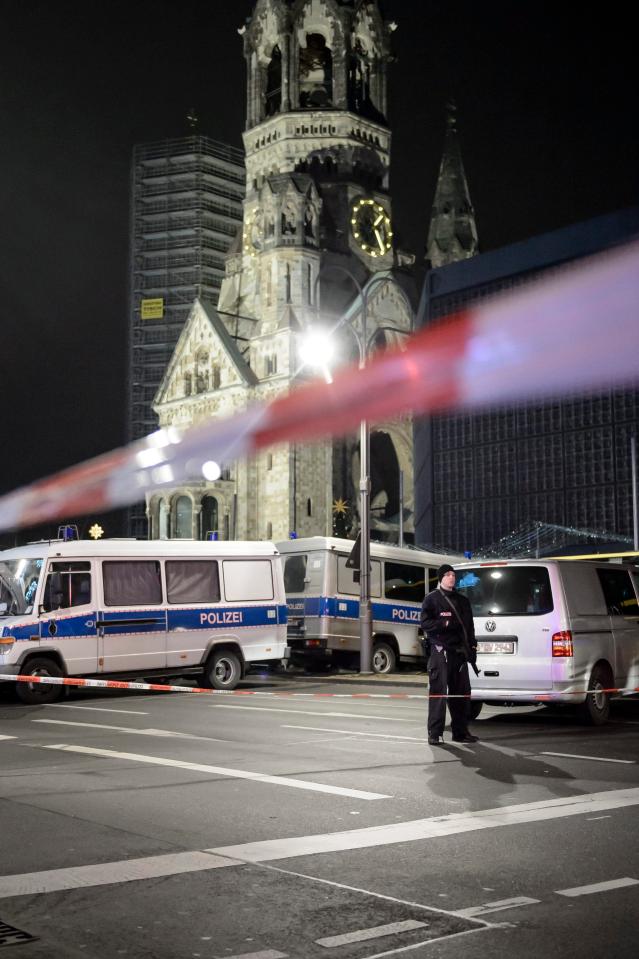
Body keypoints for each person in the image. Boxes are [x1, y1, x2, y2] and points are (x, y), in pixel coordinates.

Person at [421, 564, 479, 745]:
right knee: (439, 693)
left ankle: (460, 732)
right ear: (440, 578)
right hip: (440, 651)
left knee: (461, 694)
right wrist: (444, 624)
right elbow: (425, 623)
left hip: (459, 653)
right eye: (447, 574)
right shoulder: (431, 599)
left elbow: (469, 627)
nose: (451, 577)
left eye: (453, 574)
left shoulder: (463, 601)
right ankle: (435, 733)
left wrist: (472, 647)